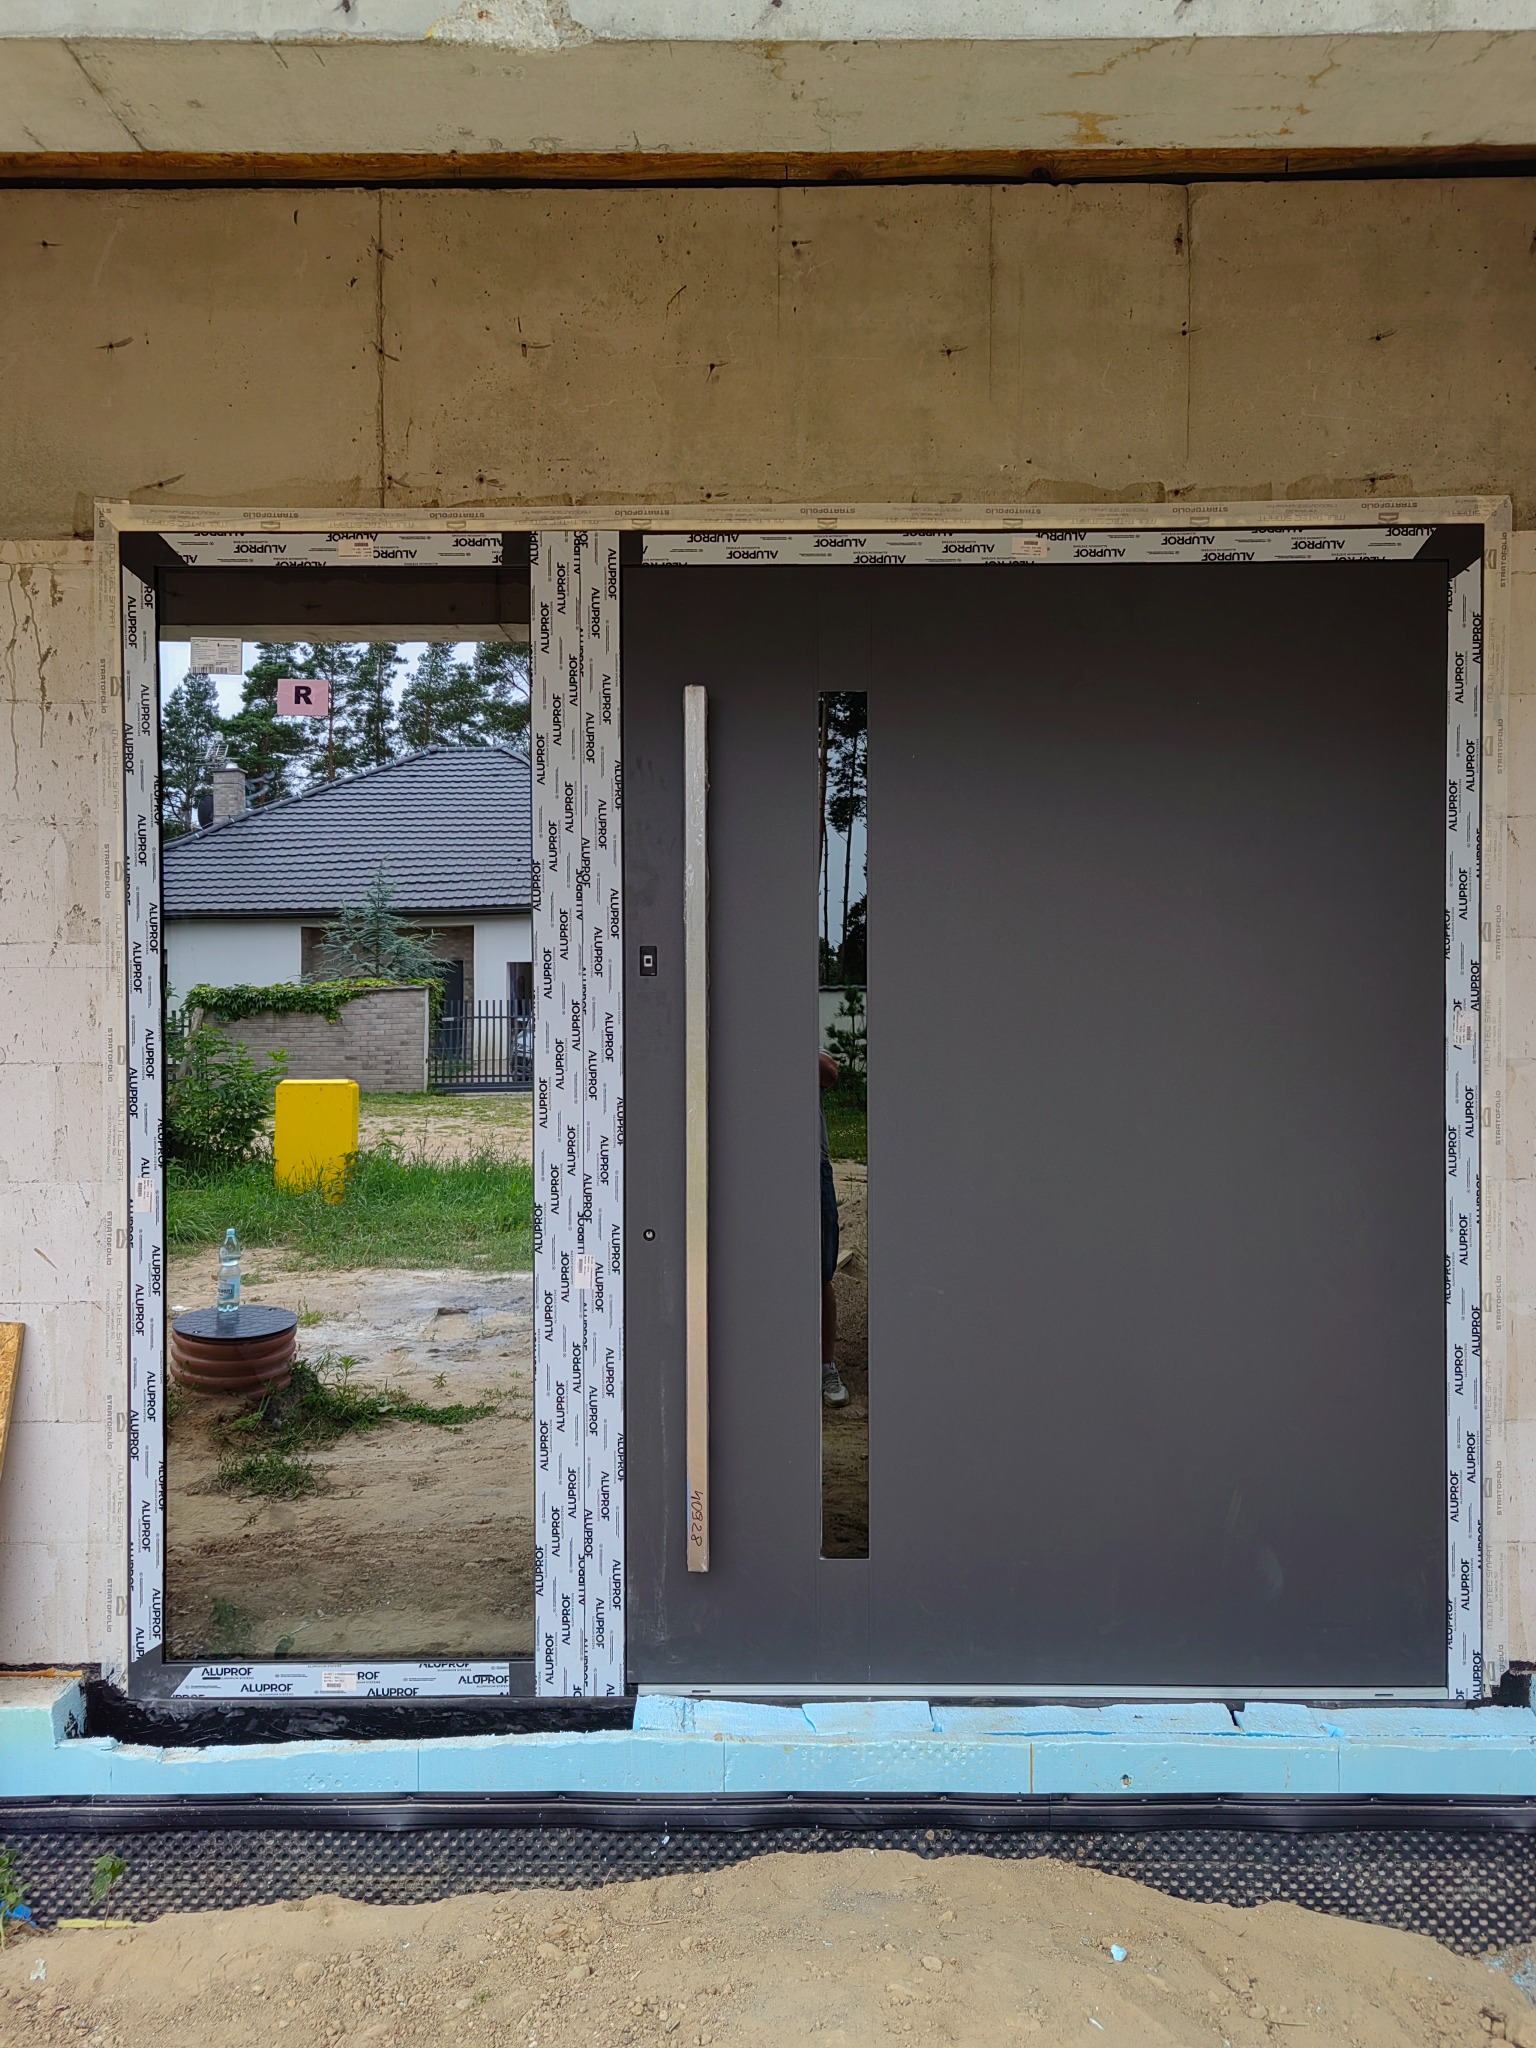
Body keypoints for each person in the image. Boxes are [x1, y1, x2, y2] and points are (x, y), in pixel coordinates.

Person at [819, 1050, 849, 1408]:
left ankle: (826, 1366)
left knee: (821, 1273)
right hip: (769, 1170)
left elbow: (829, 1072)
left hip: (814, 1167)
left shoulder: (804, 1049)